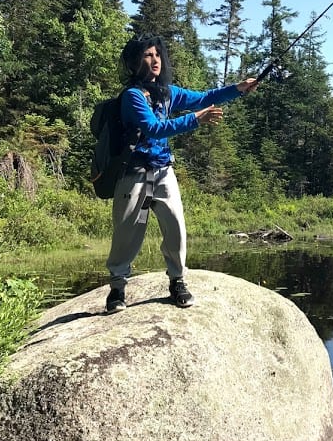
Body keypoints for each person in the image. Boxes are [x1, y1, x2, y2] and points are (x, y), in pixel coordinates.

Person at [105, 33, 260, 314]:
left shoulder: (167, 93)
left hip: (164, 172)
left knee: (176, 228)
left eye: (157, 55)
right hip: (134, 174)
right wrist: (195, 119)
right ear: (135, 62)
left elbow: (205, 97)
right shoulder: (132, 97)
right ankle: (117, 289)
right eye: (147, 56)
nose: (155, 61)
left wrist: (238, 88)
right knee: (127, 234)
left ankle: (177, 281)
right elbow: (154, 128)